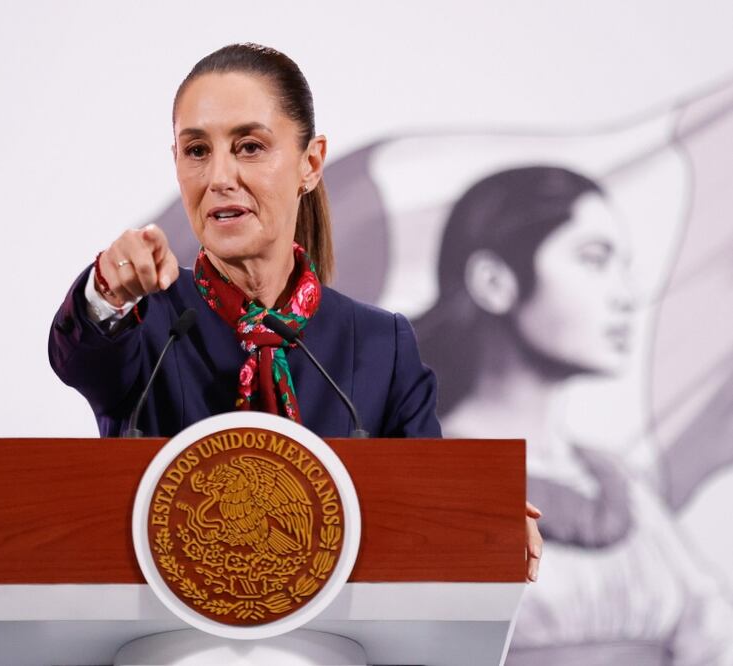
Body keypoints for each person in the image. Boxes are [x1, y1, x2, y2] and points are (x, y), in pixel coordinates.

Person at [47, 43, 541, 581]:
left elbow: (426, 505)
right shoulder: (149, 319)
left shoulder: (380, 344)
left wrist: (480, 520)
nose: (219, 177)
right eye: (196, 151)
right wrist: (107, 289)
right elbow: (80, 354)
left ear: (310, 163)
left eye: (250, 147)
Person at [414, 165, 733, 664]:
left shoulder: (623, 489)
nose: (625, 298)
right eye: (594, 260)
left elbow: (709, 637)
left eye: (624, 267)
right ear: (494, 281)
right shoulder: (419, 479)